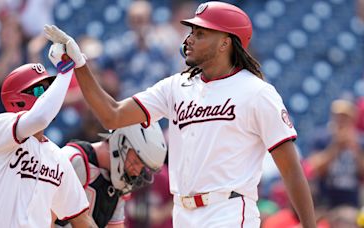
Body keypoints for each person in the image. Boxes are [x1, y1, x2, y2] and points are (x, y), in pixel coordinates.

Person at [44, 1, 316, 227]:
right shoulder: (177, 86)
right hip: (182, 213)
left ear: (225, 43)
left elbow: (291, 170)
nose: (189, 39)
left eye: (200, 33)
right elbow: (112, 115)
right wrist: (80, 65)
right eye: (191, 31)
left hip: (228, 211)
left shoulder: (257, 92)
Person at [0, 43, 97, 227]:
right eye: (40, 90)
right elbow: (40, 117)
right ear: (15, 101)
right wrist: (66, 72)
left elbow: (81, 218)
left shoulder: (57, 156)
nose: (47, 95)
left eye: (49, 88)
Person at [54, 122, 167, 228]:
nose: (137, 172)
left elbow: (116, 226)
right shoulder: (74, 160)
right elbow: (44, 216)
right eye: (136, 162)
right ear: (121, 142)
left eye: (142, 167)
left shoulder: (119, 180)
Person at [306, 99, 364, 208]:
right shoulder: (322, 137)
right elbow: (315, 167)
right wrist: (335, 146)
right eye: (338, 117)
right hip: (326, 198)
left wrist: (355, 149)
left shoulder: (360, 141)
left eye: (345, 117)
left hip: (351, 199)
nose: (341, 121)